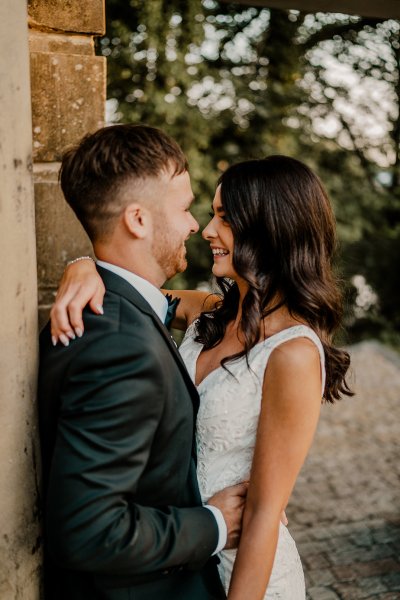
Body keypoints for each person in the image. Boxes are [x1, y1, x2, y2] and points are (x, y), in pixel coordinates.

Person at [51, 153, 353, 598]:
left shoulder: (292, 354)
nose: (207, 230)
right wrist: (80, 265)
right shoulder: (208, 311)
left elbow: (265, 516)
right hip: (183, 553)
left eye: (224, 218)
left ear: (270, 229)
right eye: (212, 215)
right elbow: (130, 288)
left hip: (241, 570)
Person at [38, 124, 250, 600]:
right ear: (137, 220)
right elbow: (89, 531)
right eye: (183, 207)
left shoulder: (113, 310)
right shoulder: (119, 345)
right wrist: (216, 525)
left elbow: (169, 308)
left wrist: (82, 262)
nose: (195, 225)